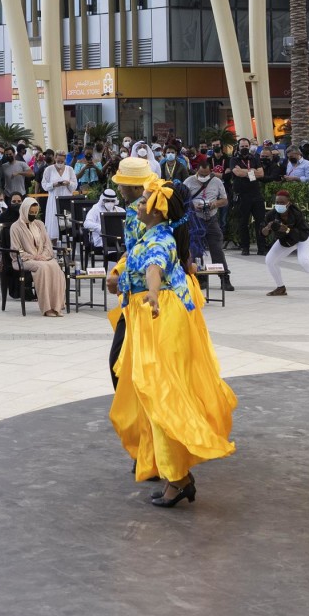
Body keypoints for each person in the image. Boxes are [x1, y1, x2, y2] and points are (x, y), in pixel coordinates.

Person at [107, 176, 237, 507]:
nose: (138, 203)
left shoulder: (159, 240)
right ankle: (174, 474)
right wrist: (121, 281)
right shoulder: (151, 233)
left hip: (160, 317)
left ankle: (177, 479)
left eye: (145, 199)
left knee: (161, 394)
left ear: (155, 211)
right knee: (151, 392)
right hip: (150, 317)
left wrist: (150, 293)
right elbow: (137, 262)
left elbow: (154, 267)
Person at [259, 190, 309, 300]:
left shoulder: (296, 213)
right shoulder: (271, 215)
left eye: (282, 203)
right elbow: (263, 233)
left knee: (304, 260)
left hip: (304, 238)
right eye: (277, 202)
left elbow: (299, 235)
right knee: (270, 260)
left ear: (288, 203)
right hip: (286, 240)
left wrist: (287, 229)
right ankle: (281, 288)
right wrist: (267, 228)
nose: (279, 205)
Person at [9, 196, 67, 317]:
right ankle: (46, 308)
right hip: (24, 260)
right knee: (43, 268)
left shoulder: (39, 224)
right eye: (31, 213)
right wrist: (33, 256)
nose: (33, 215)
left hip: (42, 258)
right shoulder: (15, 227)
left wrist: (43, 256)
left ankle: (56, 306)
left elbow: (47, 244)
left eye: (35, 213)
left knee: (55, 266)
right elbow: (15, 249)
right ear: (24, 210)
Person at [39, 152, 75, 240]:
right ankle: (53, 242)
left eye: (62, 161)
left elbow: (74, 186)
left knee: (66, 222)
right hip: (53, 199)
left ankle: (67, 243)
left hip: (66, 199)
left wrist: (68, 183)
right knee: (54, 221)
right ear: (55, 158)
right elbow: (44, 185)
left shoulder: (69, 169)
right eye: (58, 161)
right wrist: (53, 185)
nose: (60, 163)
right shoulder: (49, 169)